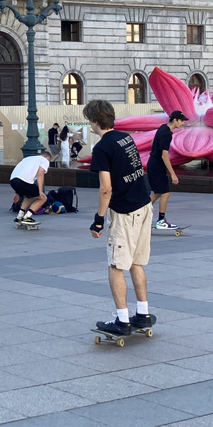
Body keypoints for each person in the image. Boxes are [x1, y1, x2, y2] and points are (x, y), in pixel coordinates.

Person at [84, 99, 156, 338]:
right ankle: (143, 313)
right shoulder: (126, 138)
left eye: (90, 121)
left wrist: (99, 219)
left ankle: (122, 319)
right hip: (144, 205)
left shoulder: (102, 148)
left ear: (95, 121)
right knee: (137, 262)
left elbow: (106, 189)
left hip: (125, 213)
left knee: (116, 265)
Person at [148, 111, 189, 230]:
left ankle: (139, 214)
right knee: (165, 192)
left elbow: (152, 142)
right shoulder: (167, 134)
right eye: (181, 120)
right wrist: (173, 174)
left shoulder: (162, 128)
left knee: (157, 192)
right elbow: (164, 155)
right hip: (157, 166)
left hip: (153, 164)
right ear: (175, 120)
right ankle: (161, 221)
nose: (182, 123)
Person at [9, 151, 51, 226]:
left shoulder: (27, 159)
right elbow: (40, 174)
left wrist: (17, 193)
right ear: (46, 157)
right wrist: (41, 191)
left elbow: (20, 173)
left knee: (30, 196)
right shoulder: (44, 160)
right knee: (43, 198)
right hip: (24, 181)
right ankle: (27, 218)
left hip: (13, 180)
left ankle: (19, 217)